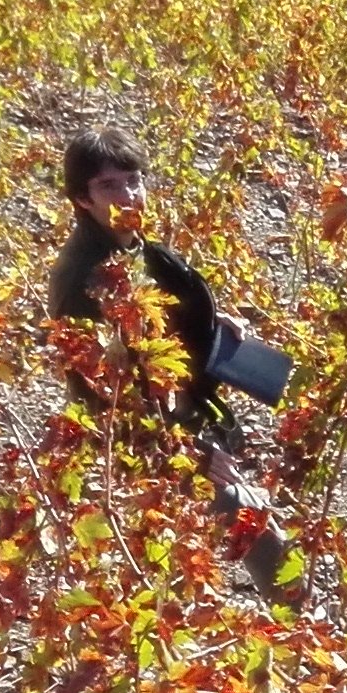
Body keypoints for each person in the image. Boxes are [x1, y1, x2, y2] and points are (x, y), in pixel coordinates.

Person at [46, 130, 293, 590]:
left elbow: (158, 320)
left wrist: (212, 320)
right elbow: (100, 390)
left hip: (176, 424)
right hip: (132, 438)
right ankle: (319, 644)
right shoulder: (81, 279)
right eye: (110, 186)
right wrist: (190, 452)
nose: (129, 194)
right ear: (82, 199)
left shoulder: (138, 249)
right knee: (240, 522)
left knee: (208, 538)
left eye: (134, 180)